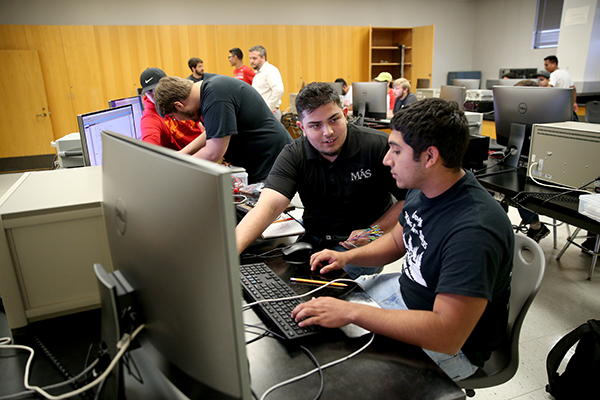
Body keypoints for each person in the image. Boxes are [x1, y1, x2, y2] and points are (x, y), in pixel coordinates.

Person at [291, 98, 514, 381]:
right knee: (317, 328)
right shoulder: (425, 187)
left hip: (450, 344)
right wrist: (348, 257)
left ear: (430, 157)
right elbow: (399, 239)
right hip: (405, 296)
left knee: (341, 374)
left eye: (396, 150)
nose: (387, 160)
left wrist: (351, 312)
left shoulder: (474, 230)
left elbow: (447, 335)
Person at [235, 82, 406, 278]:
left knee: (329, 291)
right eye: (315, 125)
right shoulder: (294, 155)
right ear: (302, 128)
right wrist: (228, 254)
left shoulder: (377, 146)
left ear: (345, 113)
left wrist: (372, 232)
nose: (328, 132)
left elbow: (407, 199)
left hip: (363, 244)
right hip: (315, 240)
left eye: (334, 120)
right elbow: (268, 207)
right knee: (278, 279)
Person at [153, 74, 292, 183]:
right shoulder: (209, 90)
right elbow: (213, 132)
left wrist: (178, 170)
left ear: (179, 105)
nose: (179, 120)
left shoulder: (215, 97)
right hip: (264, 161)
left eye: (174, 117)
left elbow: (213, 153)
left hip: (272, 162)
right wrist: (182, 154)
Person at [512, 79, 551, 241]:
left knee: (519, 190)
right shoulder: (520, 112)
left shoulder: (553, 110)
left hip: (548, 165)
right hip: (523, 159)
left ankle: (536, 226)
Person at [139, 67, 206, 152]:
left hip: (207, 144)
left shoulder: (181, 97)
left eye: (157, 89)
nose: (155, 94)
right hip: (191, 158)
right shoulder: (149, 119)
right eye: (149, 91)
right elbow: (148, 149)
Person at [249, 45, 284, 121]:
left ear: (263, 58)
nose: (252, 61)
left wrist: (268, 108)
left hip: (269, 114)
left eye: (254, 58)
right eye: (250, 58)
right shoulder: (258, 73)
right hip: (261, 113)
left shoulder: (270, 70)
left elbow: (278, 90)